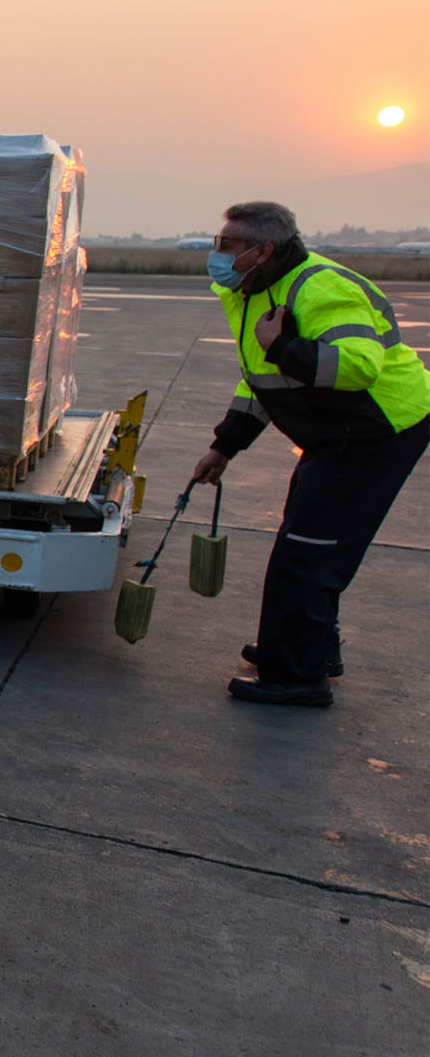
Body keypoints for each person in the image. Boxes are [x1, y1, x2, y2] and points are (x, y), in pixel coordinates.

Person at [190, 201, 430, 707]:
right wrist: (225, 445)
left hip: (376, 432)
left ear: (263, 250)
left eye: (227, 245)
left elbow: (357, 366)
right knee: (305, 534)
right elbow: (261, 379)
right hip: (337, 434)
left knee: (307, 553)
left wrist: (281, 347)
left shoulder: (322, 288)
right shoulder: (254, 288)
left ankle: (297, 676)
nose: (217, 253)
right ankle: (308, 648)